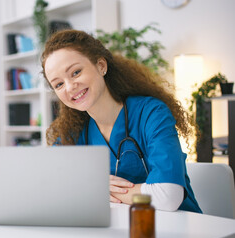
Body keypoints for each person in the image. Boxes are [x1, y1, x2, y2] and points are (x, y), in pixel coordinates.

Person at [41, 29, 201, 213]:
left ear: (101, 66)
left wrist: (95, 187)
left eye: (76, 72)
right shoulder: (74, 130)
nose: (69, 87)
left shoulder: (151, 113)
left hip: (180, 227)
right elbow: (50, 183)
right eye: (59, 84)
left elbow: (168, 196)